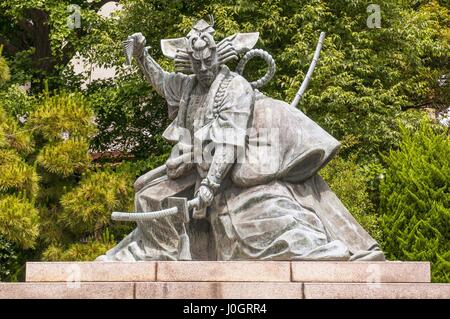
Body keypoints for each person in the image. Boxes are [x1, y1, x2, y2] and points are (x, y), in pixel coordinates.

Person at [97, 19, 384, 262]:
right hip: (193, 167)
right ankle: (162, 252)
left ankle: (305, 243)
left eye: (208, 59)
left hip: (231, 169)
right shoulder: (187, 86)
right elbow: (161, 81)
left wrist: (210, 186)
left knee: (242, 219)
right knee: (146, 190)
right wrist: (141, 56)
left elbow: (230, 142)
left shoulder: (235, 87)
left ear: (217, 55)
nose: (203, 67)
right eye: (196, 62)